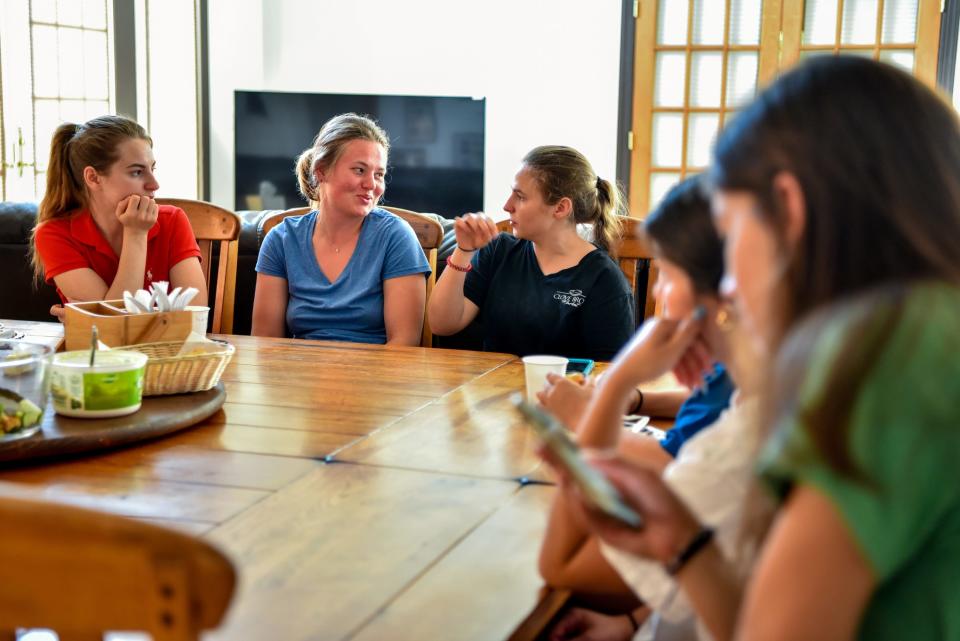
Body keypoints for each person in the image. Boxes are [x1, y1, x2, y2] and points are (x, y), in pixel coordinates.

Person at [560, 56, 960, 641]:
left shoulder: (900, 353)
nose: (725, 284)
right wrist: (684, 542)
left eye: (732, 227)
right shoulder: (918, 329)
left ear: (790, 209)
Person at [538, 177, 759, 641]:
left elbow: (559, 565)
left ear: (726, 294)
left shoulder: (742, 443)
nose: (658, 295)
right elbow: (712, 579)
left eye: (668, 276)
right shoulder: (757, 399)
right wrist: (635, 622)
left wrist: (610, 394)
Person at [539, 176, 734, 473]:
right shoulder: (743, 364)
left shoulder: (758, 376)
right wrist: (635, 399)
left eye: (668, 275)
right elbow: (714, 399)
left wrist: (603, 397)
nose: (658, 291)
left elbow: (671, 467)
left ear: (724, 286)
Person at [428, 146, 634, 360]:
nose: (507, 206)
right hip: (491, 390)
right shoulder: (498, 251)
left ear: (561, 208)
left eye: (521, 197)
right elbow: (441, 324)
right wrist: (464, 250)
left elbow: (610, 374)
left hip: (560, 392)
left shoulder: (604, 279)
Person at [252, 113, 430, 345]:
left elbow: (403, 345)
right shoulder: (281, 239)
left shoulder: (395, 237)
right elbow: (264, 342)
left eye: (379, 174)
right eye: (359, 170)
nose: (371, 185)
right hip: (299, 375)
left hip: (376, 376)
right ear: (321, 171)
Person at [31, 115, 206, 315]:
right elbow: (114, 321)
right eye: (137, 172)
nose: (154, 184)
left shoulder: (173, 220)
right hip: (97, 347)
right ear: (93, 178)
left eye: (152, 168)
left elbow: (195, 317)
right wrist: (136, 235)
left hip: (170, 347)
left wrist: (87, 319)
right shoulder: (54, 234)